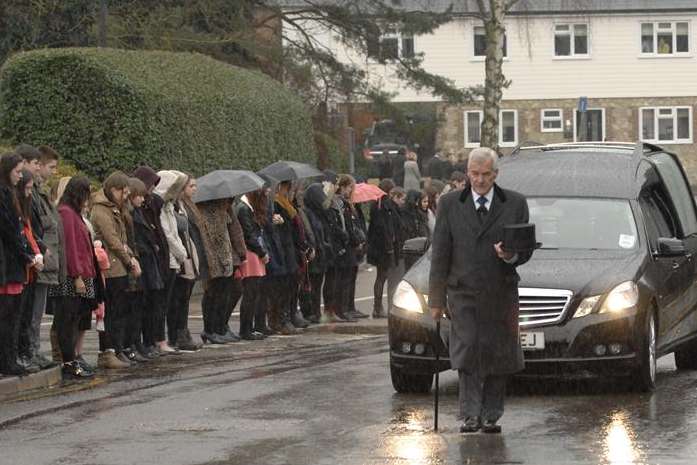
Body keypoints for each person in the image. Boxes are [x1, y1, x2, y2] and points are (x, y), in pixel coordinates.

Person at [429, 147, 533, 434]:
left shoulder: (514, 203)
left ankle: (491, 415)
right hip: (463, 292)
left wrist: (510, 255)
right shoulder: (450, 204)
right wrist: (435, 299)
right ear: (467, 173)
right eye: (474, 174)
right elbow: (440, 253)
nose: (479, 180)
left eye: (486, 174)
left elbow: (525, 250)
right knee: (468, 351)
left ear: (495, 174)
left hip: (501, 291)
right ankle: (470, 415)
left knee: (499, 353)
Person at [90, 171, 142, 369]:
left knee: (119, 312)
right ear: (114, 190)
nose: (126, 197)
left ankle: (118, 348)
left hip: (118, 266)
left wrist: (129, 258)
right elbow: (112, 239)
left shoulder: (114, 207)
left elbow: (122, 239)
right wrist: (129, 261)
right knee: (110, 313)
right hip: (110, 267)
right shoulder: (101, 209)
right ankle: (108, 350)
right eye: (124, 192)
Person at [53, 176, 98, 378]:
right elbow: (70, 247)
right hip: (72, 277)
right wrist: (78, 275)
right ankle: (69, 362)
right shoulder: (67, 213)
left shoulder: (74, 213)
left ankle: (72, 360)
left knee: (75, 320)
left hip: (81, 273)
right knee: (67, 320)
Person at [0, 154, 39, 376]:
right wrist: (26, 254)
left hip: (13, 261)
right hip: (7, 261)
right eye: (17, 171)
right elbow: (9, 230)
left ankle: (9, 357)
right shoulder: (4, 194)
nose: (19, 176)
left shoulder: (10, 194)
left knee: (13, 314)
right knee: (7, 315)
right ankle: (7, 359)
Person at [132, 166, 169, 357]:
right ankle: (142, 343)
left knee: (152, 303)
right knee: (142, 305)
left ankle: (149, 341)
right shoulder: (136, 210)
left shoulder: (150, 205)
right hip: (143, 261)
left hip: (152, 260)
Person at [198, 198, 239, 343]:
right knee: (213, 295)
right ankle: (210, 330)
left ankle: (217, 328)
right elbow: (217, 239)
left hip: (222, 261)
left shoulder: (222, 211)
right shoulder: (211, 212)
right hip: (215, 261)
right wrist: (225, 260)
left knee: (221, 295)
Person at [366, 179, 405, 318]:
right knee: (382, 276)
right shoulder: (382, 205)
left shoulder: (380, 204)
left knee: (382, 276)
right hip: (383, 247)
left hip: (380, 246)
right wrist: (389, 246)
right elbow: (384, 227)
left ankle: (378, 307)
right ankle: (377, 307)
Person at [237, 190, 270, 340]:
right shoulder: (243, 209)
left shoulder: (247, 208)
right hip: (251, 253)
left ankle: (249, 328)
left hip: (254, 252)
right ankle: (245, 329)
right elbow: (249, 234)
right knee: (250, 293)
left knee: (254, 292)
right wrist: (262, 252)